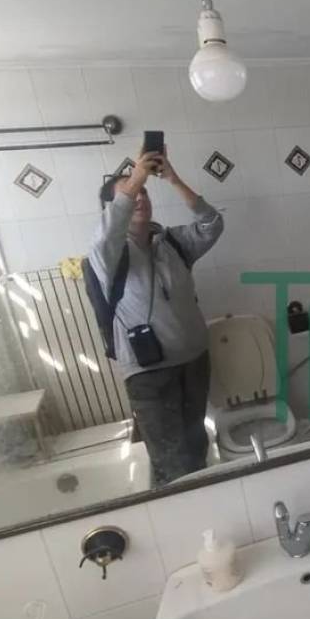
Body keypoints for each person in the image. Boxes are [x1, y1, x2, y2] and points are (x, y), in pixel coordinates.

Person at [90, 148, 223, 486]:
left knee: (196, 448)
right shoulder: (107, 255)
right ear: (111, 210)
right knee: (171, 462)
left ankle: (210, 510)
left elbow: (212, 224)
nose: (139, 198)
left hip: (194, 361)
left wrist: (173, 179)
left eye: (144, 193)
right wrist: (137, 176)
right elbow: (108, 233)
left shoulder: (173, 242)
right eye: (130, 193)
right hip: (148, 374)